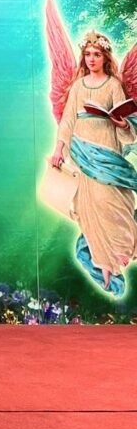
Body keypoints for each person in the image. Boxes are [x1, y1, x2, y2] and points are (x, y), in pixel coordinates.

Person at [49, 31, 137, 294]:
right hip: (84, 154)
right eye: (87, 54)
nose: (91, 59)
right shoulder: (78, 86)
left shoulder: (113, 85)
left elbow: (127, 123)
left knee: (115, 206)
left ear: (105, 57)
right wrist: (59, 149)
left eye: (96, 54)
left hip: (109, 154)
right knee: (91, 212)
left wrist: (121, 123)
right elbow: (68, 120)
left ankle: (121, 253)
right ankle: (105, 268)